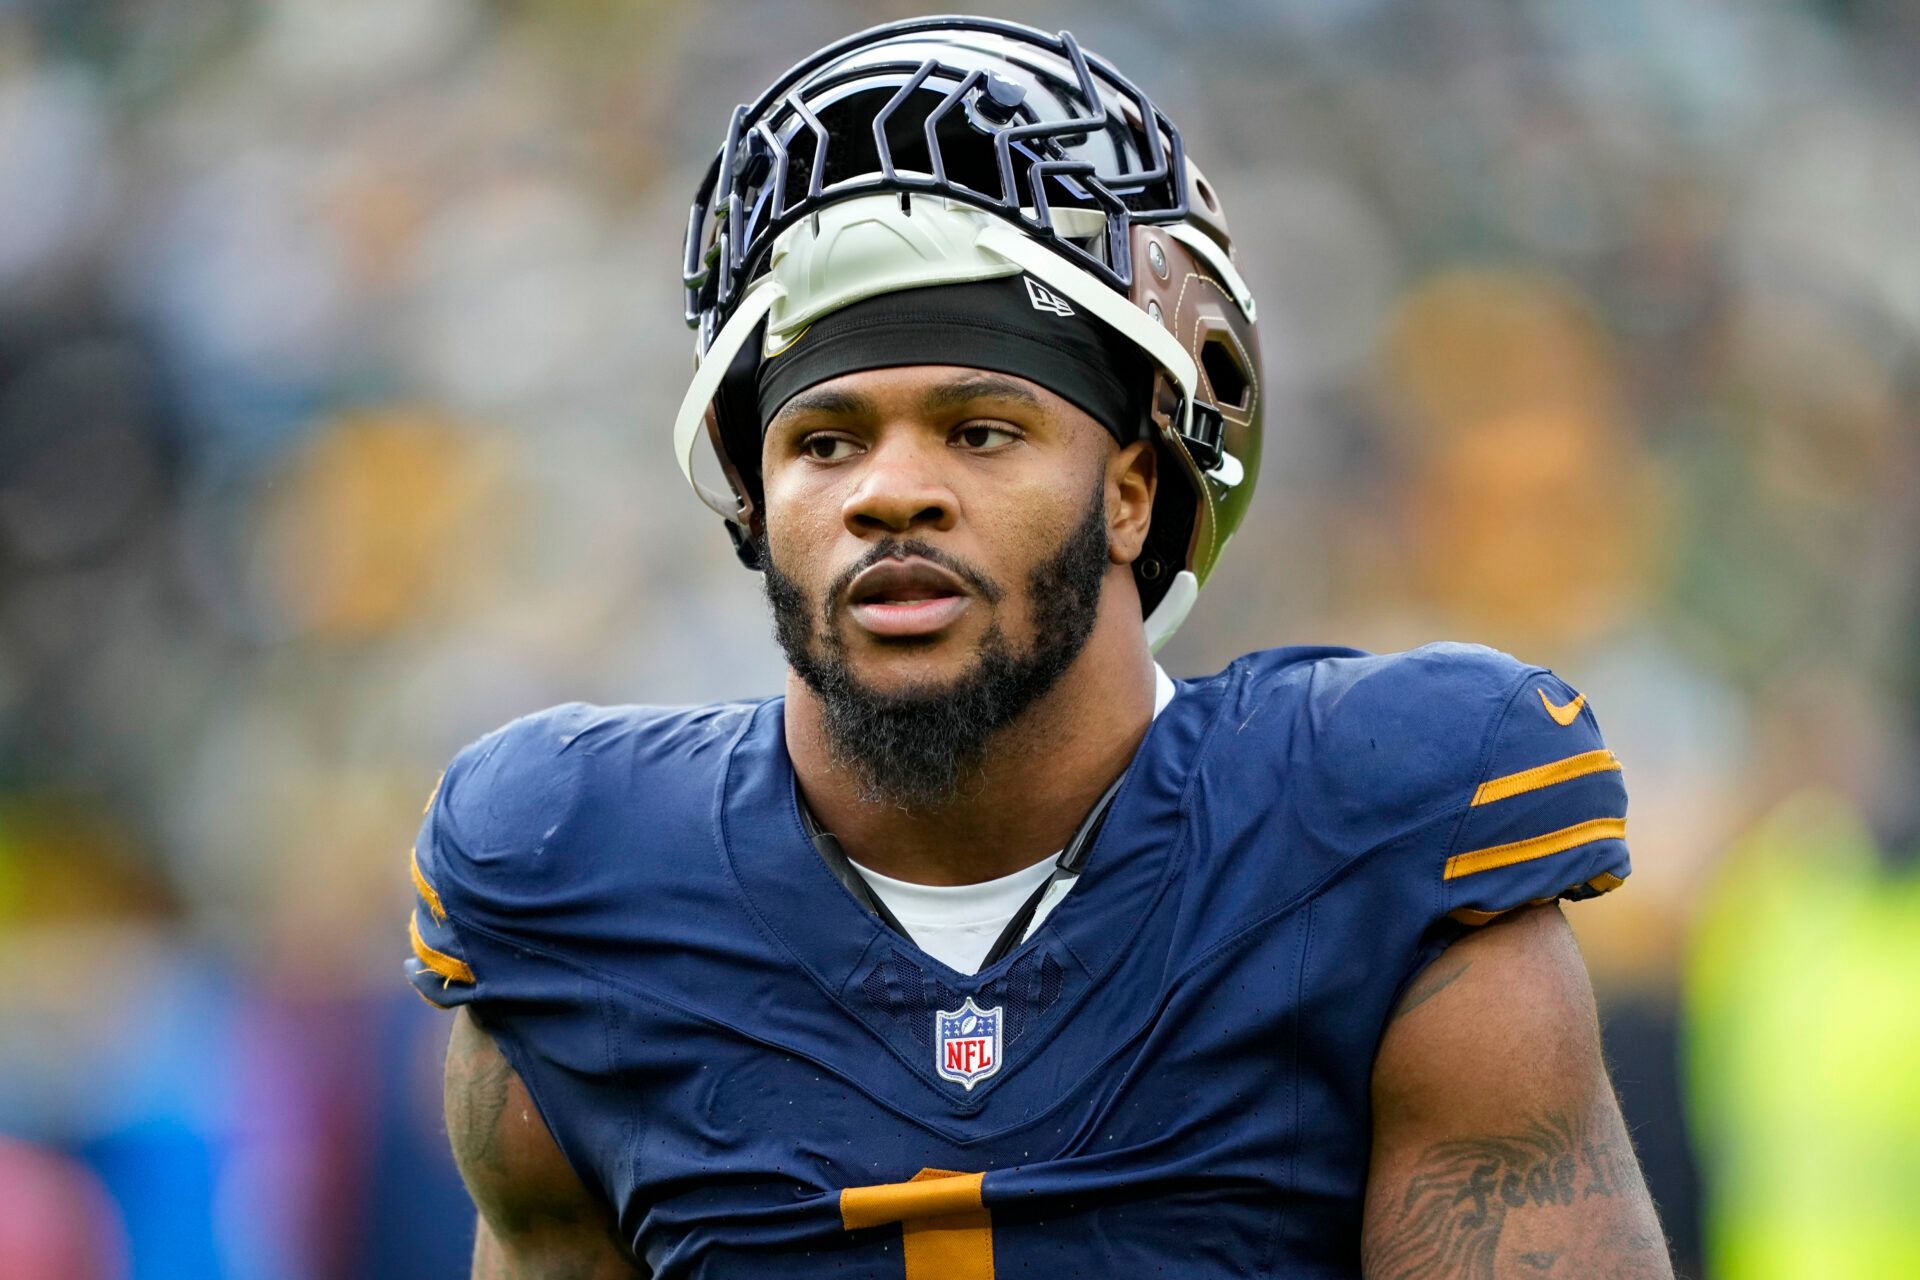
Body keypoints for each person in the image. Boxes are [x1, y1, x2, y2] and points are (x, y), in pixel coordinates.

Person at [405, 17, 1673, 1277]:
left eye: (981, 429)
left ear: (1133, 491)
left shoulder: (1375, 832)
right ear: (754, 500)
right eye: (826, 441)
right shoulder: (568, 877)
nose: (890, 491)